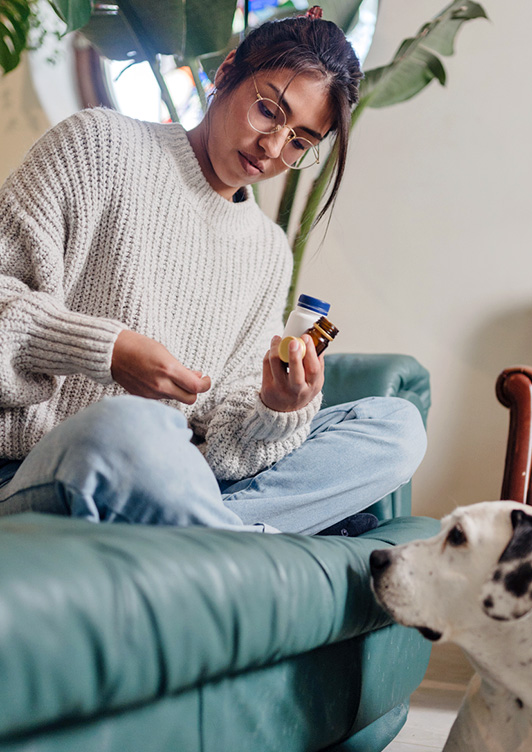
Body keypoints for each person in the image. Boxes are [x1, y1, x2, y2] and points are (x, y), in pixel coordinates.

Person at [0, 7, 426, 535]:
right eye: (269, 110)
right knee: (130, 428)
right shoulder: (98, 145)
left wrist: (275, 405)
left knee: (398, 428)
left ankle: (207, 532)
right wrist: (106, 351)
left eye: (299, 142)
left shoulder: (269, 251)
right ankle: (226, 537)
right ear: (225, 73)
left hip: (173, 481)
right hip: (41, 467)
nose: (272, 148)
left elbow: (222, 440)